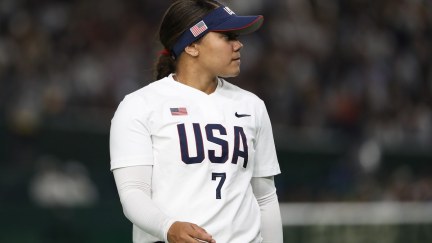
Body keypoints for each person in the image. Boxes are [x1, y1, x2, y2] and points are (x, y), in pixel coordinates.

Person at [109, 0, 283, 242]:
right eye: (227, 36)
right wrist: (168, 228)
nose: (239, 44)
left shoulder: (251, 105)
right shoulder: (140, 105)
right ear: (191, 46)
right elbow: (133, 194)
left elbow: (265, 198)